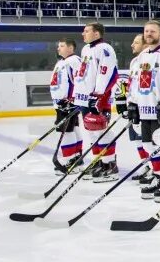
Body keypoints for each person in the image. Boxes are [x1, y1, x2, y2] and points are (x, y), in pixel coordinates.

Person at [129, 20, 160, 200]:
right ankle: (159, 176)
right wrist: (133, 103)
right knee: (149, 146)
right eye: (146, 31)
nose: (148, 34)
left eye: (152, 31)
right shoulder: (143, 55)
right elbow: (136, 82)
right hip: (144, 109)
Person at [73, 22, 120, 180]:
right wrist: (77, 95)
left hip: (98, 98)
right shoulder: (86, 49)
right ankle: (99, 162)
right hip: (85, 98)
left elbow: (105, 74)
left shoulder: (105, 49)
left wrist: (98, 95)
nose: (83, 34)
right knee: (91, 132)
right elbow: (83, 74)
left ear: (97, 33)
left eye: (86, 31)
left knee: (101, 130)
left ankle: (110, 164)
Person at [48, 38, 83, 174]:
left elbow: (80, 81)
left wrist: (72, 100)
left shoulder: (74, 61)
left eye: (61, 46)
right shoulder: (62, 62)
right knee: (72, 128)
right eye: (58, 45)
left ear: (70, 48)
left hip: (67, 103)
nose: (58, 48)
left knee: (66, 131)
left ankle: (71, 160)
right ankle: (76, 160)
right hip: (62, 103)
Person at [118, 34, 146, 180]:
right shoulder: (134, 61)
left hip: (144, 107)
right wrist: (125, 101)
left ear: (145, 44)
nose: (132, 45)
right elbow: (132, 84)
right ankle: (146, 165)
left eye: (135, 42)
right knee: (137, 140)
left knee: (148, 141)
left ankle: (155, 169)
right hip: (133, 106)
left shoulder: (150, 60)